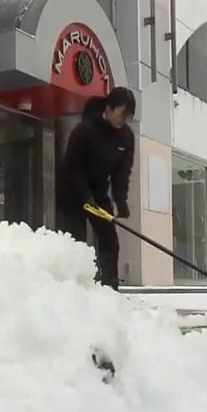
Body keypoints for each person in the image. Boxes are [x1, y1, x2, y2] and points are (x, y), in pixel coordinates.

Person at [56, 87, 136, 290]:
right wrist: (85, 197)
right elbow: (71, 169)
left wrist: (121, 201)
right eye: (121, 114)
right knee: (76, 242)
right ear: (108, 109)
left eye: (128, 116)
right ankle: (72, 288)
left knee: (110, 240)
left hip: (98, 192)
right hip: (72, 191)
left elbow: (121, 173)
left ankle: (110, 289)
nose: (123, 120)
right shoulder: (84, 131)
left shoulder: (126, 137)